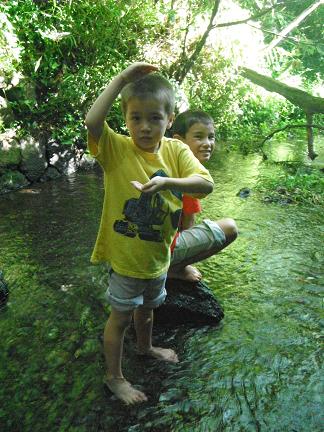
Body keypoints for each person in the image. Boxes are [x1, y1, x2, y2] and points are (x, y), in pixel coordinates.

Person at [85, 63, 214, 405]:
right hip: (127, 258)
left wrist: (168, 182)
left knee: (149, 309)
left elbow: (206, 184)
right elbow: (92, 122)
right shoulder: (115, 150)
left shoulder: (176, 150)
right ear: (126, 119)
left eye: (154, 118)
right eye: (136, 117)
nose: (144, 126)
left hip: (159, 256)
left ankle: (146, 347)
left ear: (170, 120)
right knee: (121, 317)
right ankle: (114, 378)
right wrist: (121, 79)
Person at [168, 110, 238, 282]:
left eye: (211, 137)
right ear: (179, 141)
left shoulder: (167, 164)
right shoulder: (190, 176)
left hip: (145, 247)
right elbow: (188, 223)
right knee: (230, 227)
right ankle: (175, 268)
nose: (207, 143)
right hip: (162, 251)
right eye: (199, 137)